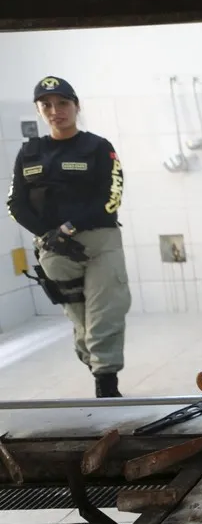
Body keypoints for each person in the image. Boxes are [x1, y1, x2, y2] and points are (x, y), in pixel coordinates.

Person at [7, 76, 131, 398]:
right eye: (46, 105)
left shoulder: (98, 147)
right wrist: (48, 235)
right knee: (80, 319)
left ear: (76, 106)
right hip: (55, 249)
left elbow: (112, 196)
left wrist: (69, 227)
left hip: (99, 241)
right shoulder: (29, 152)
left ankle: (106, 385)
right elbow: (15, 204)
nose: (55, 111)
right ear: (38, 110)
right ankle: (95, 365)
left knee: (105, 312)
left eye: (62, 103)